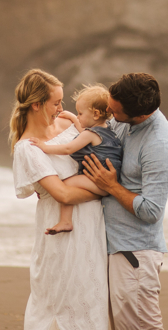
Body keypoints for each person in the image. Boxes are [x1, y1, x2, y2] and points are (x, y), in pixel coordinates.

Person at [10, 69, 109, 330]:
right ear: (36, 105)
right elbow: (62, 194)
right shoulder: (27, 148)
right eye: (55, 103)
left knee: (92, 294)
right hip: (61, 232)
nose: (61, 108)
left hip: (92, 226)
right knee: (62, 299)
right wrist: (108, 188)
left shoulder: (69, 124)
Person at [83, 72, 168, 330]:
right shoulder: (123, 121)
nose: (110, 115)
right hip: (112, 247)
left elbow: (151, 210)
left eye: (115, 112)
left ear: (140, 114)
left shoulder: (160, 145)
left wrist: (112, 186)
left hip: (134, 254)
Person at [31, 84, 124, 235]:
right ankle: (67, 219)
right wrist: (73, 117)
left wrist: (45, 147)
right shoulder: (106, 129)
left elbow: (69, 148)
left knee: (65, 183)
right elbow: (84, 133)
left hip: (100, 182)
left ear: (95, 114)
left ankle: (66, 221)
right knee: (70, 183)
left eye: (80, 113)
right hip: (110, 179)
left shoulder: (90, 135)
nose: (78, 117)